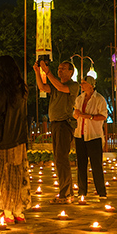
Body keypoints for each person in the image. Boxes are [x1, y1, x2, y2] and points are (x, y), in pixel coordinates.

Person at [0, 55, 31, 223]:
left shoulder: (3, 90)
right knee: (17, 174)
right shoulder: (22, 88)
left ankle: (7, 212)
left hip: (3, 139)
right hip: (19, 138)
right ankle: (18, 211)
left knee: (4, 175)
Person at [34, 59, 79, 204]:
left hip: (64, 124)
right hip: (55, 124)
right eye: (59, 68)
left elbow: (60, 87)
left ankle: (66, 193)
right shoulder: (55, 85)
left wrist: (48, 72)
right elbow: (42, 87)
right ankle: (66, 192)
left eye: (63, 68)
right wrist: (37, 71)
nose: (60, 70)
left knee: (61, 158)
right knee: (59, 158)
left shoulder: (73, 85)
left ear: (71, 72)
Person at [73, 75, 108, 202]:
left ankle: (101, 191)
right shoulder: (79, 99)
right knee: (81, 164)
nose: (81, 85)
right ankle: (82, 190)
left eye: (83, 83)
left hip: (93, 135)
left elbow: (103, 116)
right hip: (80, 135)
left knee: (96, 165)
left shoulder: (99, 99)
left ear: (91, 85)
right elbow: (76, 114)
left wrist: (89, 117)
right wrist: (77, 115)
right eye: (81, 83)